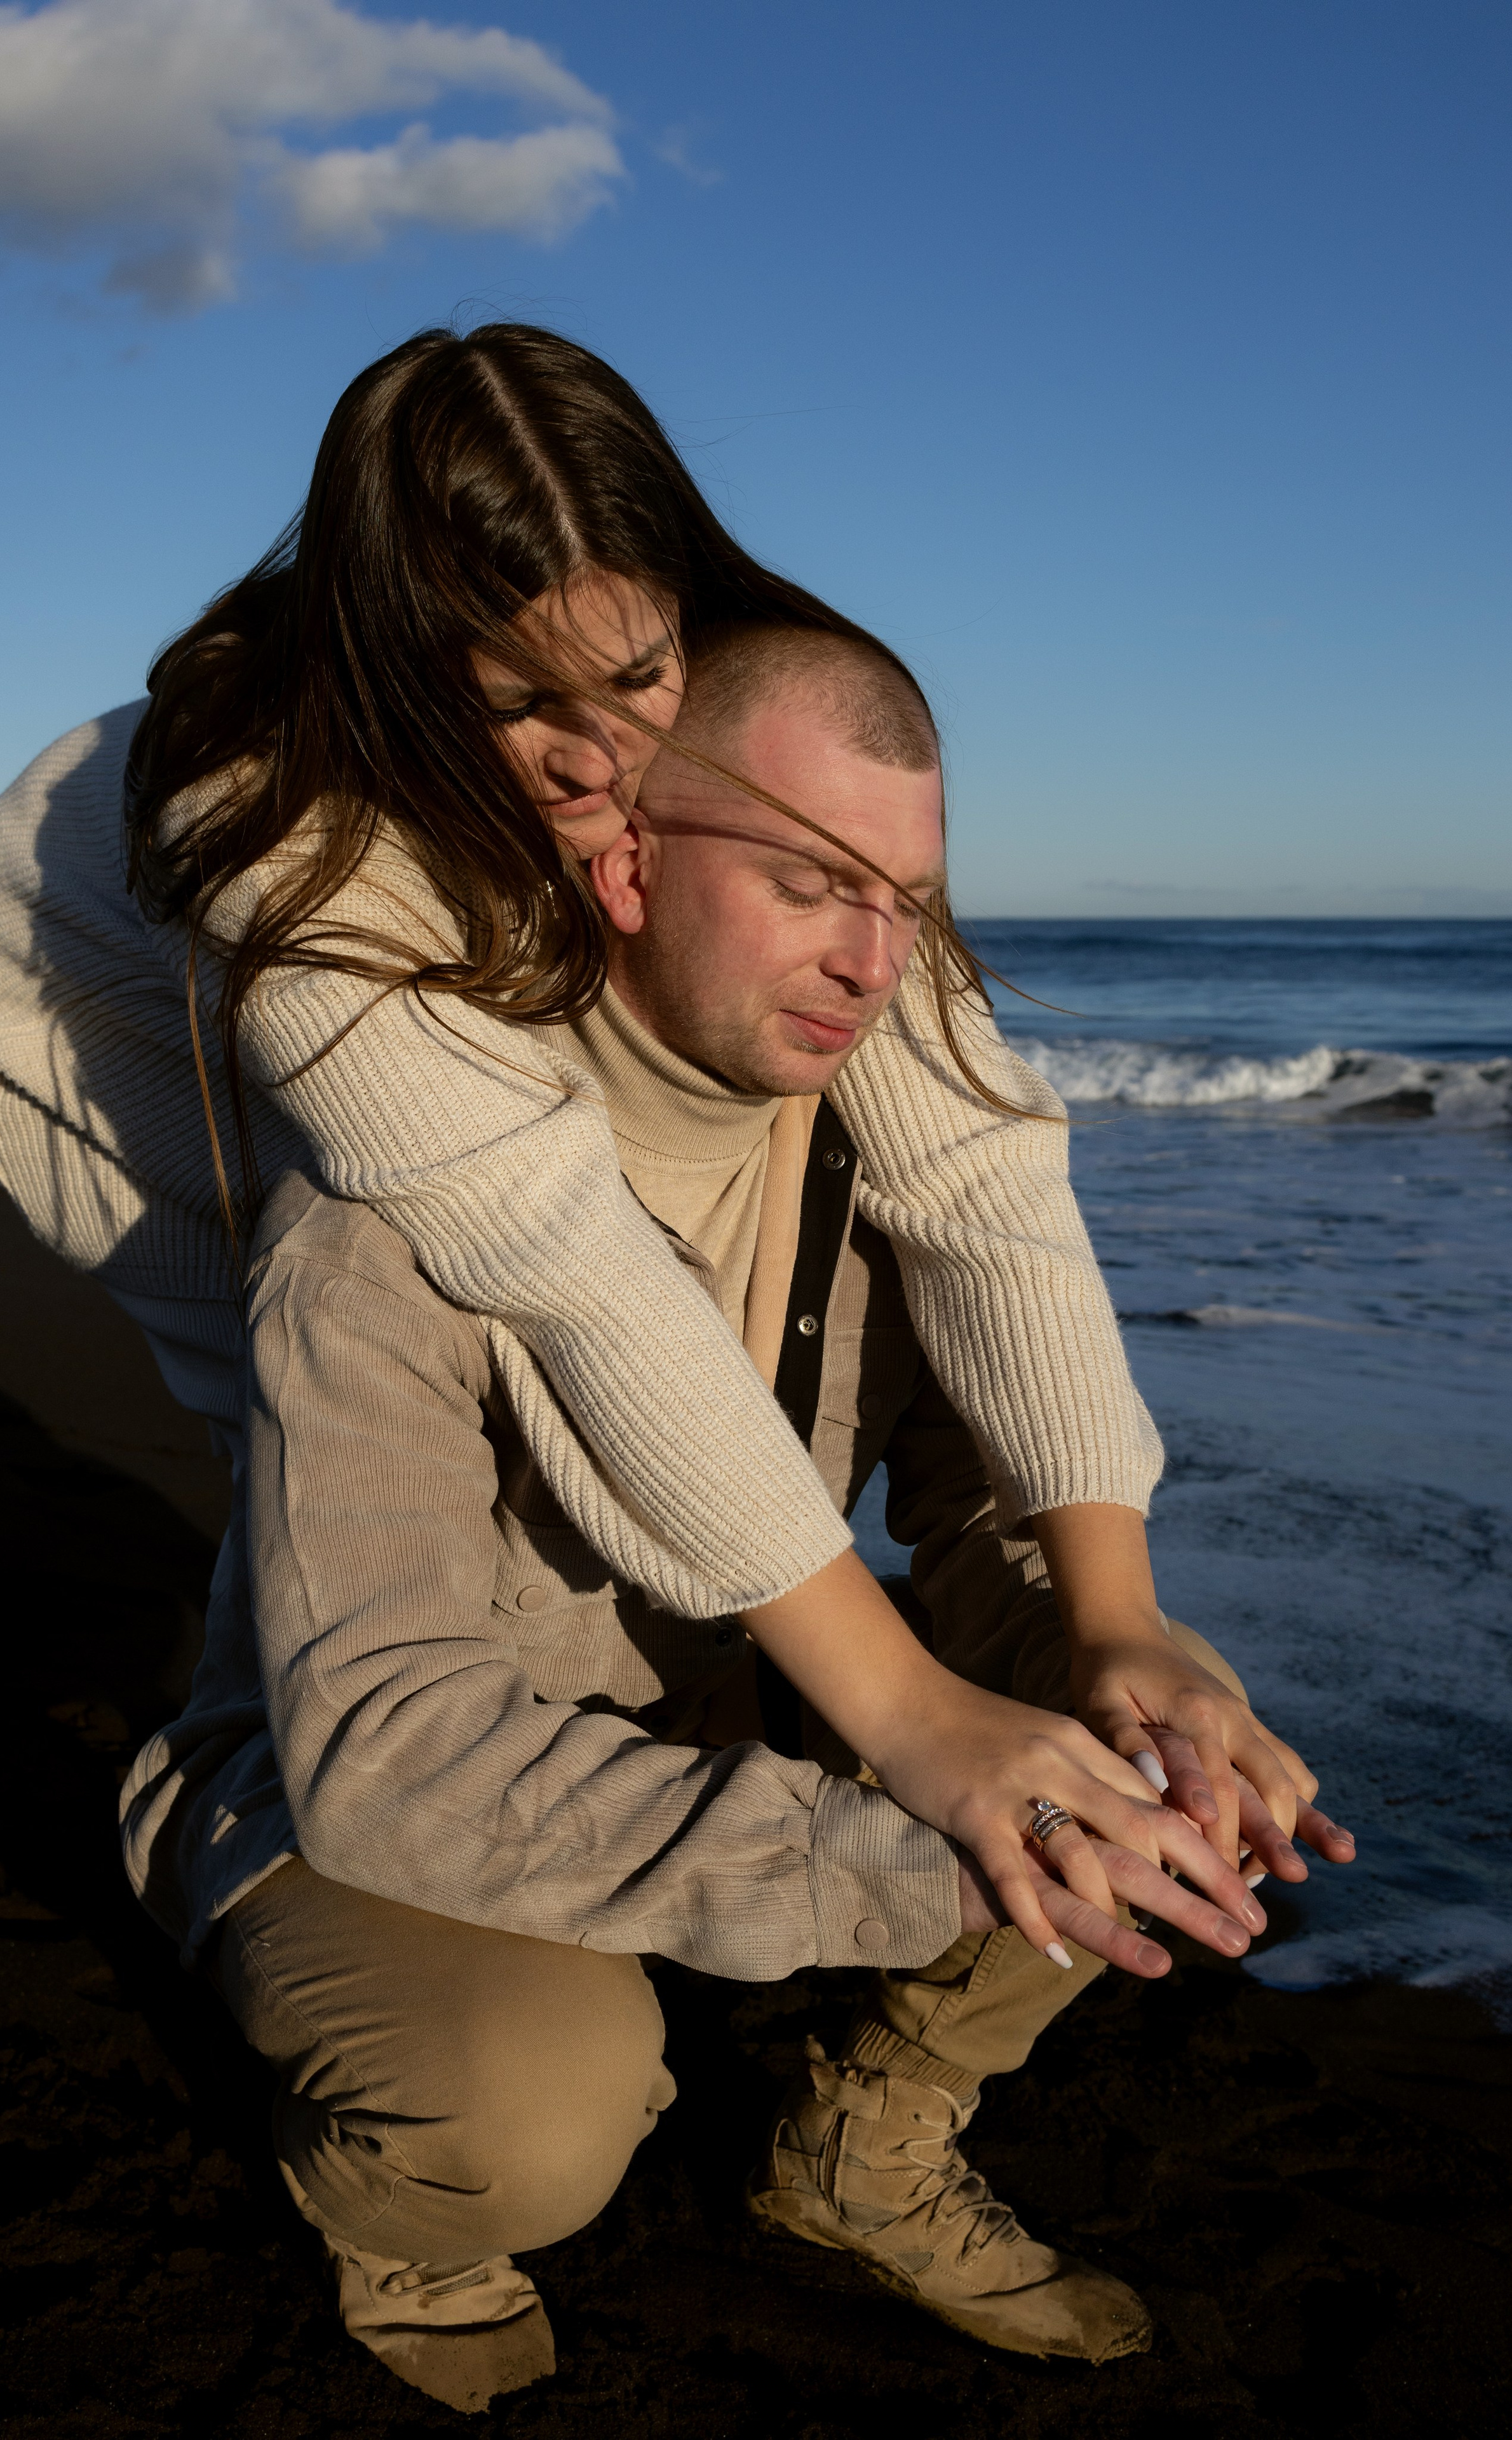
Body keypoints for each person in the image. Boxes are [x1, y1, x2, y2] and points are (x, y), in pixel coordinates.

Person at [0, 322, 1305, 1934]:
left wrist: (1120, 1614)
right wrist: (912, 1721)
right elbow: (561, 1254)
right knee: (357, 1352)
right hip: (104, 1046)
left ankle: (605, 1746)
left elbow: (982, 1166)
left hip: (426, 892)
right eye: (523, 699)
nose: (601, 751)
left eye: (638, 672)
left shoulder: (721, 674)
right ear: (403, 666)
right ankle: (271, 1803)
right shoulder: (282, 832)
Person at [132, 622, 1353, 2411]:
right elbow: (384, 1752)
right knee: (543, 2116)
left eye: (909, 904)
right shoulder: (392, 1199)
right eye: (808, 884)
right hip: (370, 1776)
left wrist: (1143, 1679)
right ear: (629, 852)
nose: (875, 964)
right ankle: (404, 2212)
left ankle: (867, 2145)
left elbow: (990, 1504)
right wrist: (923, 1851)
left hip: (733, 1698)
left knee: (1156, 1753)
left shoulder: (878, 1135)